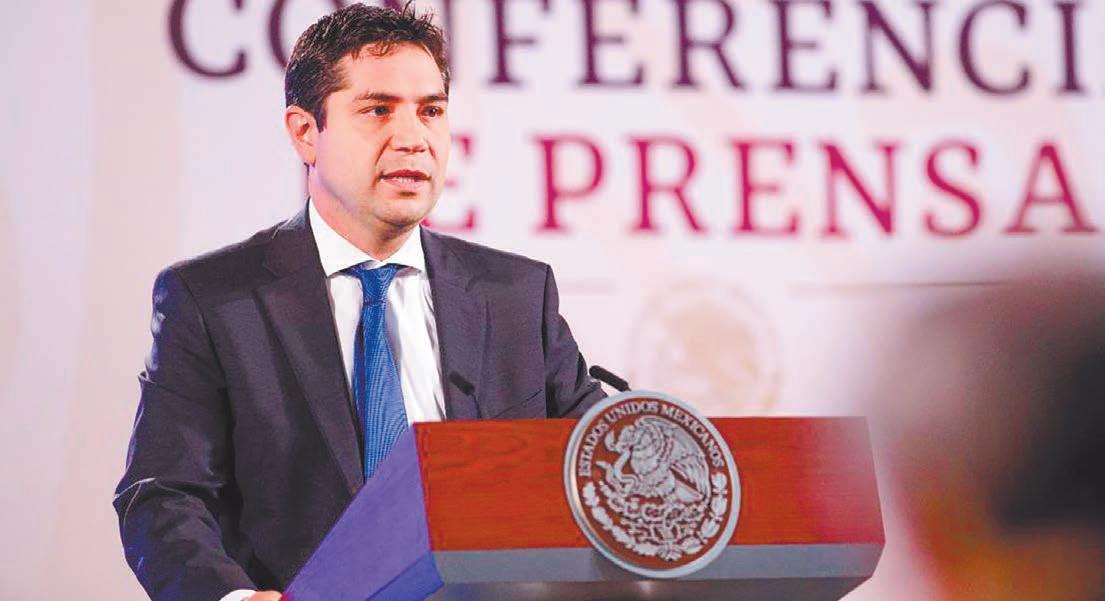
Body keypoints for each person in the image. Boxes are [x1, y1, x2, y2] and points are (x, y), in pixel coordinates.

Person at [113, 4, 605, 601]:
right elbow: (163, 495)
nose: (413, 139)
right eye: (378, 110)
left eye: (431, 111)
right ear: (305, 132)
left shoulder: (516, 295)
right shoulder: (213, 299)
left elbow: (602, 462)